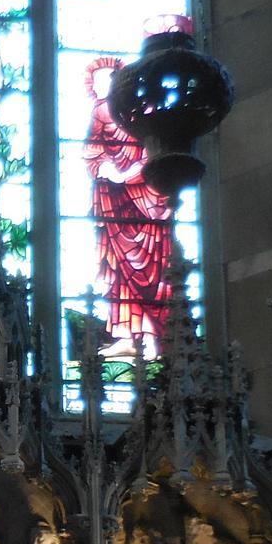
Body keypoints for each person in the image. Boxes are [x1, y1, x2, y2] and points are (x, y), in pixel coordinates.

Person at [82, 54, 174, 351]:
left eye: (107, 81)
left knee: (152, 264)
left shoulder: (141, 111)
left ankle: (152, 336)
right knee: (117, 267)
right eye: (96, 83)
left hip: (145, 197)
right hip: (114, 201)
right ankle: (125, 334)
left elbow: (154, 149)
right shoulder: (99, 113)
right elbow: (91, 151)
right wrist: (105, 168)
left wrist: (132, 173)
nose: (100, 88)